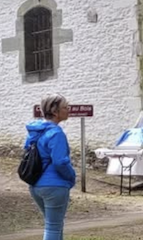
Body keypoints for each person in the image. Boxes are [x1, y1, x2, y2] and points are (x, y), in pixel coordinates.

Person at [25, 94, 75, 240]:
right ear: (55, 111)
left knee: (54, 224)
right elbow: (60, 162)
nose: (69, 110)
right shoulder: (56, 133)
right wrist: (71, 177)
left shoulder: (35, 133)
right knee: (53, 227)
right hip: (55, 185)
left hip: (36, 185)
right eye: (65, 107)